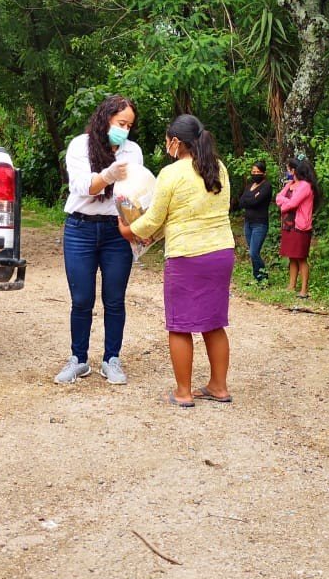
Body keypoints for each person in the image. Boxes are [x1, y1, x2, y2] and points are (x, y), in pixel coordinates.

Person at [120, 114, 236, 407]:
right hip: (221, 252)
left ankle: (183, 392)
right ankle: (219, 387)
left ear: (175, 142)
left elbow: (154, 220)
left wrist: (128, 229)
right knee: (214, 322)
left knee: (181, 325)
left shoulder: (171, 174)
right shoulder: (218, 167)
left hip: (187, 255)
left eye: (166, 140)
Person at [55, 95, 143, 386]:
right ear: (105, 118)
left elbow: (135, 194)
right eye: (120, 123)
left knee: (115, 299)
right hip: (80, 228)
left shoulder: (133, 152)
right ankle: (78, 360)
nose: (124, 130)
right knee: (81, 299)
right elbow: (82, 187)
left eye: (129, 125)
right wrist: (107, 175)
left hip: (115, 232)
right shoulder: (80, 146)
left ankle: (112, 359)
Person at [276, 156, 321, 298]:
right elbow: (278, 198)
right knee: (292, 256)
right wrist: (285, 201)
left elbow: (293, 204)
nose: (288, 171)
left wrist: (284, 204)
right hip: (288, 225)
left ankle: (304, 290)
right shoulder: (289, 184)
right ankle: (291, 286)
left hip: (300, 226)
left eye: (289, 169)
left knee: (301, 257)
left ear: (295, 170)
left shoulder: (305, 186)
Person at [237, 159, 273, 283]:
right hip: (248, 223)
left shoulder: (266, 186)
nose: (255, 173)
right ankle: (257, 277)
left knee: (254, 252)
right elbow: (241, 202)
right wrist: (251, 198)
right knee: (253, 252)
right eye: (253, 171)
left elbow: (256, 201)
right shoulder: (249, 186)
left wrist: (250, 200)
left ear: (263, 173)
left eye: (258, 171)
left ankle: (263, 278)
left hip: (260, 223)